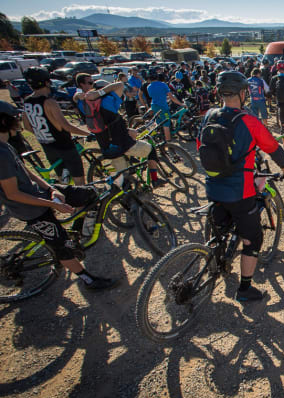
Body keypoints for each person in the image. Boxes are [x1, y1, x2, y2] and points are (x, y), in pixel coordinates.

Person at [0, 101, 116, 290]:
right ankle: (88, 280)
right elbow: (12, 193)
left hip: (40, 193)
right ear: (4, 121)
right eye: (14, 117)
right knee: (61, 247)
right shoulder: (1, 153)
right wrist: (52, 204)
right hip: (30, 208)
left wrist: (51, 189)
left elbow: (26, 172)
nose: (19, 119)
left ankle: (76, 232)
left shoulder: (5, 145)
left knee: (89, 194)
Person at [200, 71, 284, 302]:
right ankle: (244, 289)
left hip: (213, 186)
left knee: (221, 228)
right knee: (253, 237)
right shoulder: (248, 121)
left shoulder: (209, 115)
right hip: (239, 191)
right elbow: (273, 148)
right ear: (243, 94)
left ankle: (218, 262)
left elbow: (202, 148)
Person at [73, 75, 165, 188]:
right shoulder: (108, 100)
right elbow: (120, 85)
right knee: (151, 150)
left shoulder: (84, 105)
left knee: (124, 179)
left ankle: (131, 197)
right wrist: (100, 93)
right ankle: (155, 180)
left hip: (107, 148)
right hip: (123, 144)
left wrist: (78, 95)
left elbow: (75, 99)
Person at [21, 67, 89, 186]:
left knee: (64, 180)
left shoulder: (27, 102)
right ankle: (81, 202)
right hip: (64, 146)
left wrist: (42, 134)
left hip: (48, 146)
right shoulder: (49, 102)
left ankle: (69, 200)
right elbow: (65, 126)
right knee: (79, 181)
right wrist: (88, 134)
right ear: (47, 82)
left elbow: (27, 126)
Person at [147, 72, 184, 142]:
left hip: (154, 106)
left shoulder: (149, 86)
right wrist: (181, 104)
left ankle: (151, 135)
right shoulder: (163, 84)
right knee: (166, 123)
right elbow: (171, 97)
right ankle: (168, 141)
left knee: (157, 122)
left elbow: (152, 96)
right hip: (163, 106)